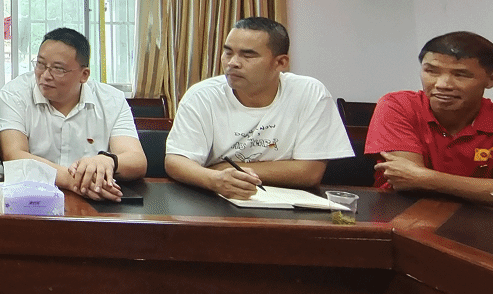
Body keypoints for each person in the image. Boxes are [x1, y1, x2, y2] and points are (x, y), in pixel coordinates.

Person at [164, 17, 352, 199]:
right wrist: (213, 179)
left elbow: (309, 173)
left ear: (281, 63)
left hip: (288, 203)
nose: (232, 63)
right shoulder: (202, 95)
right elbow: (175, 161)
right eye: (228, 53)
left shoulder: (310, 93)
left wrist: (223, 168)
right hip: (215, 198)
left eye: (247, 56)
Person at [0, 27, 146, 201]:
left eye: (58, 69)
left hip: (96, 199)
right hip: (31, 198)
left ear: (84, 75)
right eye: (40, 64)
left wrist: (108, 161)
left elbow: (137, 160)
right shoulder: (15, 94)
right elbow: (13, 155)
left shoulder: (112, 100)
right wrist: (72, 179)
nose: (45, 75)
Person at [368, 31, 493, 203]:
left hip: (478, 216)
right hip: (402, 211)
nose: (442, 85)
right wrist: (480, 189)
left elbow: (414, 178)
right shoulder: (398, 105)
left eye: (460, 74)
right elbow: (406, 183)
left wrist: (424, 178)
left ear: (490, 79)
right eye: (431, 71)